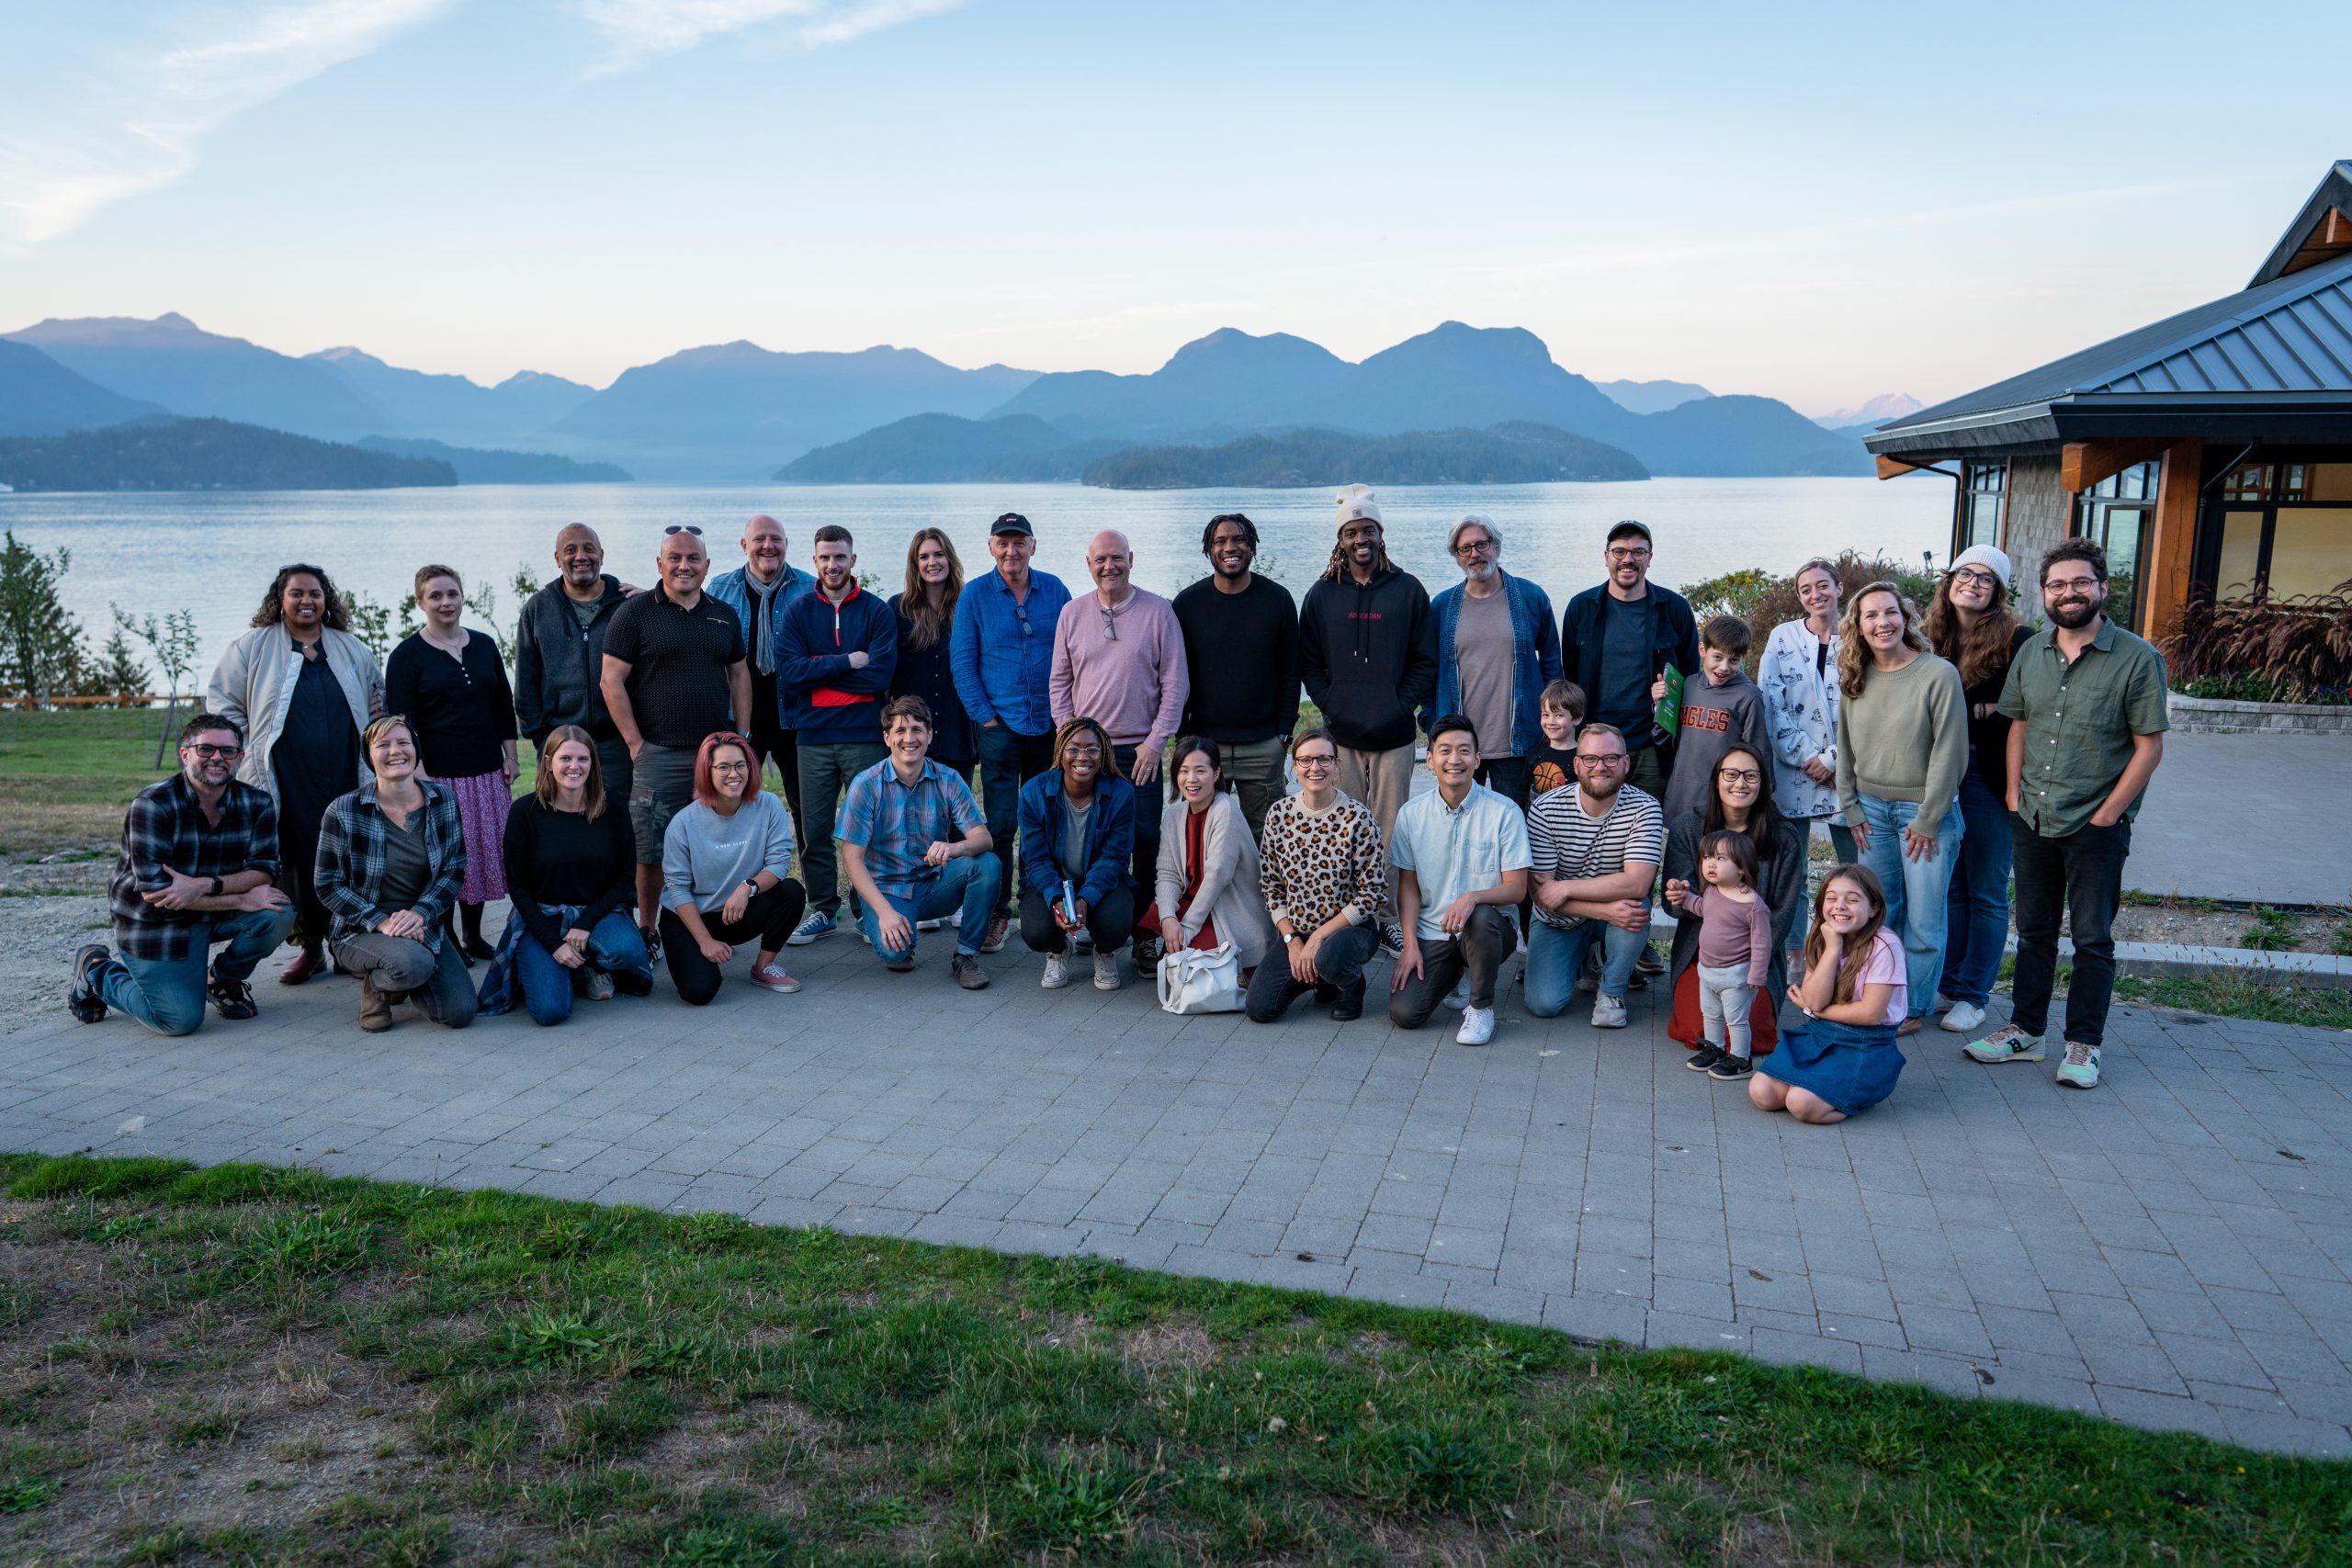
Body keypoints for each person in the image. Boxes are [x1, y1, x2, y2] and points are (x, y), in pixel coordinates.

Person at [1968, 539, 2168, 1091]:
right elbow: (2019, 724)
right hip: (2031, 815)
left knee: (2091, 939)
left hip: (2095, 825)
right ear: (2044, 593)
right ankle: (2027, 1031)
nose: (2068, 593)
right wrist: (2012, 793)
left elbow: (2148, 746)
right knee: (2032, 932)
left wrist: (2108, 816)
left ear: (2103, 588)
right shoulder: (2032, 652)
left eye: (2080, 583)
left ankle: (2084, 1045)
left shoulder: (2136, 657)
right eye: (2057, 585)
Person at [67, 713, 298, 1037]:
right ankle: (97, 970)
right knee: (178, 1020)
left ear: (240, 758)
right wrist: (241, 897)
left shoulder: (257, 803)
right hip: (155, 922)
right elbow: (159, 895)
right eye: (205, 749)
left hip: (209, 906)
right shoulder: (152, 805)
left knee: (278, 914)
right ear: (185, 754)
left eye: (227, 751)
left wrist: (206, 885)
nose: (217, 757)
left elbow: (263, 871)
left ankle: (221, 980)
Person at [206, 563, 382, 986]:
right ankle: (312, 949)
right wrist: (245, 751)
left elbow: (378, 697)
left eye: (315, 593)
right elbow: (223, 703)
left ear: (327, 601)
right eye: (297, 593)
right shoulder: (253, 646)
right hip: (286, 775)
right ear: (280, 600)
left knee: (349, 855)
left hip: (344, 770)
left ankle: (350, 946)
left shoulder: (350, 647)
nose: (307, 601)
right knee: (298, 860)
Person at [601, 526, 752, 952]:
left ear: (706, 565)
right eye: (675, 558)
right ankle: (648, 929)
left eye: (693, 559)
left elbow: (739, 674)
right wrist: (635, 744)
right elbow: (611, 681)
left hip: (716, 757)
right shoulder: (634, 615)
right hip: (659, 753)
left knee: (713, 841)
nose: (684, 566)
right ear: (660, 564)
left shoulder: (723, 614)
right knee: (651, 848)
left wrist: (740, 736)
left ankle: (703, 924)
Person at [1834, 581, 1966, 1035]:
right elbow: (1845, 748)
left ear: (1905, 618)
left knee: (1925, 919)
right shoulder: (1855, 674)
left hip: (1923, 814)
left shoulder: (1937, 674)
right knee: (1879, 914)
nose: (1882, 622)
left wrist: (1929, 818)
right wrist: (1851, 809)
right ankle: (1875, 997)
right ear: (1858, 626)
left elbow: (1951, 752)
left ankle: (1912, 1008)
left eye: (1890, 612)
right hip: (1870, 813)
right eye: (1870, 615)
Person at [1298, 486, 1438, 900]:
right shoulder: (1322, 594)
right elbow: (1308, 661)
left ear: (1380, 534)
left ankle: (1387, 913)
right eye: (1351, 532)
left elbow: (1425, 660)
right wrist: (1332, 702)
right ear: (1340, 540)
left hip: (1394, 734)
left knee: (1390, 828)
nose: (1361, 540)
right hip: (1341, 736)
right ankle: (1347, 911)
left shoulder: (1407, 589)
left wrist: (1400, 705)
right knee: (1343, 825)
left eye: (1368, 531)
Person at [1921, 545, 2032, 1036]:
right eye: (1965, 573)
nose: (1974, 582)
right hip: (1936, 776)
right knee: (1952, 888)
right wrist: (1980, 712)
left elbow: (2023, 709)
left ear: (1998, 591)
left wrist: (1973, 715)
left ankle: (1974, 994)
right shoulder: (1928, 636)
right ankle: (1949, 981)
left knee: (1987, 889)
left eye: (1986, 578)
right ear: (1949, 580)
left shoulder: (2018, 640)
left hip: (1988, 778)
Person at [951, 513, 1072, 956]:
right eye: (1003, 543)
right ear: (990, 548)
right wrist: (986, 719)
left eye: (1019, 543)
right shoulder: (975, 595)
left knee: (1047, 819)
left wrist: (1067, 715)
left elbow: (1073, 651)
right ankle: (999, 912)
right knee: (1001, 825)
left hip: (1050, 726)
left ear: (1033, 547)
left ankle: (1046, 903)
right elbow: (963, 663)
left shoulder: (1055, 589)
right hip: (999, 727)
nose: (1011, 551)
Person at [385, 564, 519, 964]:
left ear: (463, 597)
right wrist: (419, 775)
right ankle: (445, 939)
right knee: (443, 860)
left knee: (479, 855)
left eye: (452, 594)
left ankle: (474, 936)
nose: (446, 602)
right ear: (420, 603)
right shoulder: (406, 657)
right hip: (438, 775)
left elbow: (502, 706)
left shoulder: (484, 644)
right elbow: (403, 722)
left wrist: (510, 755)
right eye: (436, 596)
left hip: (486, 773)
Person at [314, 716, 475, 1033]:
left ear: (415, 749)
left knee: (460, 1012)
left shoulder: (443, 800)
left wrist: (419, 914)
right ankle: (379, 984)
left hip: (421, 926)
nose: (395, 751)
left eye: (403, 742)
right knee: (412, 964)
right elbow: (327, 884)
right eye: (383, 745)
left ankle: (397, 977)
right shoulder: (344, 810)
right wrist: (382, 922)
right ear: (369, 756)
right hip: (360, 930)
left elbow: (453, 869)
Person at [1049, 529, 1187, 894]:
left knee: (1144, 840)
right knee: (1090, 839)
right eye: (1101, 560)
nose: (1109, 566)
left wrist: (1156, 743)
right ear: (1089, 564)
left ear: (1131, 559)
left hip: (1141, 751)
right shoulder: (1072, 613)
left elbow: (1176, 685)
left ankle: (1142, 930)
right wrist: (1071, 741)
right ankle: (1091, 921)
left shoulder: (1159, 612)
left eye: (1117, 558)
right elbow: (1060, 683)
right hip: (1087, 753)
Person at [778, 525, 898, 944]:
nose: (833, 564)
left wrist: (821, 673)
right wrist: (848, 660)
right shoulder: (797, 612)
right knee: (814, 830)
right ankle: (824, 909)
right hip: (812, 739)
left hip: (865, 736)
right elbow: (791, 674)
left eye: (840, 557)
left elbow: (880, 674)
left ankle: (869, 911)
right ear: (814, 560)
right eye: (825, 557)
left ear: (853, 560)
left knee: (871, 829)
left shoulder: (876, 611)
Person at [487, 725, 652, 1026]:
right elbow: (519, 889)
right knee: (551, 1012)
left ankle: (589, 965)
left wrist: (586, 922)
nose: (574, 767)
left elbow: (625, 878)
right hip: (542, 916)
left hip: (598, 914)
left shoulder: (612, 806)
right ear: (548, 762)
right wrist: (555, 945)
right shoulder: (524, 812)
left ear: (593, 764)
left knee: (626, 951)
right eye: (565, 758)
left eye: (583, 759)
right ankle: (560, 966)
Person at [1385, 715, 1531, 1045]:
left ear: (1477, 759)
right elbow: (1407, 886)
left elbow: (1517, 888)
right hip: (1434, 929)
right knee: (1405, 1014)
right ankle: (1457, 971)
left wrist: (1473, 897)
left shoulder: (1504, 812)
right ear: (1431, 759)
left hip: (1492, 928)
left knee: (1478, 915)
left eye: (1464, 751)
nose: (1455, 760)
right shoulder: (1412, 814)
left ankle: (1482, 1006)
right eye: (1445, 751)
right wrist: (1410, 946)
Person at [837, 696, 1001, 987]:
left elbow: (983, 839)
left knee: (987, 865)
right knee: (895, 953)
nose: (909, 739)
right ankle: (879, 922)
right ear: (887, 738)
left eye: (916, 729)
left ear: (929, 735)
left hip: (934, 883)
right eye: (900, 731)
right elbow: (851, 858)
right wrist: (886, 914)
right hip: (887, 889)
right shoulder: (866, 784)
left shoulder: (948, 779)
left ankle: (965, 956)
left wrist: (955, 847)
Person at [1659, 744, 1806, 1067]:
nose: (1740, 783)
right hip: (1704, 953)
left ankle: (1740, 1057)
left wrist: (1753, 962)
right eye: (1731, 774)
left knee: (1750, 1031)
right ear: (1716, 780)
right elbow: (1675, 907)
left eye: (1751, 776)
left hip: (1753, 957)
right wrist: (1679, 895)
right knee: (1697, 1028)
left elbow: (1782, 913)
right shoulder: (1688, 827)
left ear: (1764, 785)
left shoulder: (1783, 837)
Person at [1523, 723, 1663, 1030]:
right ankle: (1584, 956)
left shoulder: (1645, 808)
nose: (1600, 767)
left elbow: (1638, 883)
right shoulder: (1546, 808)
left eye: (1610, 758)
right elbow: (1543, 894)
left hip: (1615, 912)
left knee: (1636, 906)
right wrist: (1602, 910)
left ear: (1625, 763)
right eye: (1590, 759)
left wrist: (1568, 886)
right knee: (1543, 1004)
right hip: (1560, 918)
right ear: (1577, 764)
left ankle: (1611, 992)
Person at [1170, 513, 1299, 841]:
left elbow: (1290, 671)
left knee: (1269, 835)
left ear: (1251, 546)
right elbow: (1176, 675)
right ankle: (1203, 895)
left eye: (1239, 539)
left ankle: (1266, 895)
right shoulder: (1187, 604)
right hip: (1204, 745)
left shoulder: (1278, 600)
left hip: (1262, 744)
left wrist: (1283, 734)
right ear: (1208, 550)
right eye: (1221, 541)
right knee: (1203, 835)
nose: (1231, 547)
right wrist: (1184, 736)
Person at [1248, 728, 1386, 1024]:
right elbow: (1271, 887)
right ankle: (1321, 977)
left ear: (1337, 765)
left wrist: (1319, 938)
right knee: (1260, 1008)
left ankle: (1349, 984)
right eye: (1306, 760)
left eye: (1324, 759)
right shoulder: (1279, 815)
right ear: (1294, 766)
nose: (1315, 768)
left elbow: (1372, 894)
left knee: (1330, 957)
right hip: (1298, 931)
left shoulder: (1358, 818)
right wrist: (1292, 940)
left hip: (1350, 931)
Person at [1750, 863, 1907, 1123]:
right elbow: (1814, 999)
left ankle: (1860, 1092)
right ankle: (1820, 1085)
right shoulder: (1825, 935)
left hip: (1864, 1043)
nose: (1840, 906)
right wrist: (1832, 948)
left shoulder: (1885, 946)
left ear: (1874, 908)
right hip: (1820, 1034)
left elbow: (1870, 1013)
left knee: (1801, 1104)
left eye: (1853, 899)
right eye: (1831, 898)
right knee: (1762, 1093)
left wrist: (1816, 1011)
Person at [1557, 520, 1700, 806]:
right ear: (1607, 556)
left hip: (1652, 745)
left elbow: (1692, 677)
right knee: (1595, 824)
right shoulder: (1580, 608)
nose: (1628, 560)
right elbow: (1569, 678)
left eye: (1638, 552)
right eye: (1620, 551)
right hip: (1595, 743)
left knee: (1650, 826)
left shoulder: (1675, 609)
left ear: (1650, 557)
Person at [659, 731, 807, 1005]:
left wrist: (747, 887)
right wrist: (705, 941)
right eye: (723, 767)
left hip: (735, 912)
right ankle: (700, 949)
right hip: (689, 918)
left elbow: (778, 863)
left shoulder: (769, 805)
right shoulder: (683, 823)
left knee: (792, 892)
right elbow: (677, 889)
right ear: (707, 770)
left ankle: (763, 967)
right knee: (699, 992)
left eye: (740, 765)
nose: (733, 774)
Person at [1427, 514, 1560, 810]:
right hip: (1458, 746)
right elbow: (1428, 669)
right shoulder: (1441, 607)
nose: (1475, 554)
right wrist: (1432, 721)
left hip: (1517, 743)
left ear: (1496, 546)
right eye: (1465, 549)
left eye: (1482, 544)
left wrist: (1552, 722)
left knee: (1515, 826)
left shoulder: (1531, 597)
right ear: (1457, 557)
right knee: (1458, 824)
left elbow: (1551, 662)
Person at [707, 513, 815, 830]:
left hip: (795, 718)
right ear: (744, 545)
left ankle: (812, 881)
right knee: (731, 809)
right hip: (739, 722)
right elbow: (687, 611)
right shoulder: (721, 588)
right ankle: (740, 878)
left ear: (786, 545)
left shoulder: (809, 588)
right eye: (759, 539)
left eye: (775, 539)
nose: (768, 546)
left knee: (805, 812)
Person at [514, 523, 634, 806]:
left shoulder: (627, 605)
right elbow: (526, 687)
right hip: (561, 746)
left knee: (622, 830)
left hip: (618, 746)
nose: (581, 556)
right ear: (557, 559)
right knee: (565, 829)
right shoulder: (537, 610)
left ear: (601, 555)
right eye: (570, 550)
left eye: (588, 549)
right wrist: (544, 742)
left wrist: (656, 596)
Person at [1017, 716, 1137, 992]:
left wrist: (1086, 898)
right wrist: (1056, 898)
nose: (1083, 756)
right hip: (1053, 880)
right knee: (1036, 931)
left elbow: (1115, 858)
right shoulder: (1033, 792)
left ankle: (1104, 951)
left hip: (1102, 882)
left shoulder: (1121, 793)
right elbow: (1035, 859)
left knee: (1116, 924)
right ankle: (1060, 950)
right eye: (1074, 748)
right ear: (1061, 751)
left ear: (1103, 753)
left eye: (1092, 749)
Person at [1147, 737, 1278, 974]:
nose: (1191, 779)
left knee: (1189, 968)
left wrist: (1186, 927)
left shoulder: (1225, 809)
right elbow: (1167, 874)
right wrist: (1168, 919)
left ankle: (1248, 964)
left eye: (1200, 771)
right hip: (1195, 904)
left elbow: (1217, 875)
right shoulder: (1174, 815)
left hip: (1228, 910)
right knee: (1170, 948)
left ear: (1216, 774)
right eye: (1184, 771)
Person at [1758, 557, 1856, 865]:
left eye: (1823, 585)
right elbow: (1771, 701)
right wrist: (1810, 758)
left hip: (1848, 771)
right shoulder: (1782, 637)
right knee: (1790, 876)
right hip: (1794, 769)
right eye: (1806, 590)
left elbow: (1873, 709)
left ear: (1839, 588)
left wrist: (1833, 759)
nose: (1816, 595)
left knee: (1857, 872)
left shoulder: (1860, 638)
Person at [1665, 830, 1773, 1081]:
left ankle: (1740, 1059)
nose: (1711, 864)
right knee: (1710, 1013)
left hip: (1736, 974)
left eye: (1721, 858)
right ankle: (1713, 1048)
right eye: (1707, 857)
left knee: (1736, 1020)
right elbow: (1701, 908)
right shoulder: (1713, 892)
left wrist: (1757, 973)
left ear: (1742, 869)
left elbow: (1762, 943)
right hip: (1708, 969)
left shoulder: (1753, 906)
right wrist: (1684, 897)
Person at [1658, 615, 1770, 826]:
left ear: (1743, 658)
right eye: (1717, 657)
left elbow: (1759, 751)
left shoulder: (1748, 696)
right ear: (1703, 650)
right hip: (1680, 796)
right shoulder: (1688, 685)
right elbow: (1668, 742)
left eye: (1733, 660)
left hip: (1722, 802)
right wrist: (1659, 706)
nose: (1724, 667)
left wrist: (1762, 801)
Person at [888, 527, 978, 780]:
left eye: (939, 554)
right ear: (915, 564)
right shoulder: (897, 609)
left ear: (949, 558)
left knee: (955, 813)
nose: (932, 562)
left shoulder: (967, 605)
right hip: (911, 734)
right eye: (924, 557)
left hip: (957, 732)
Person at [1524, 680, 1586, 800]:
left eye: (1559, 715)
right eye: (1545, 715)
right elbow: (1521, 793)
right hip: (1534, 818)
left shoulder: (1583, 758)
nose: (1551, 722)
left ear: (1577, 718)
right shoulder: (1535, 754)